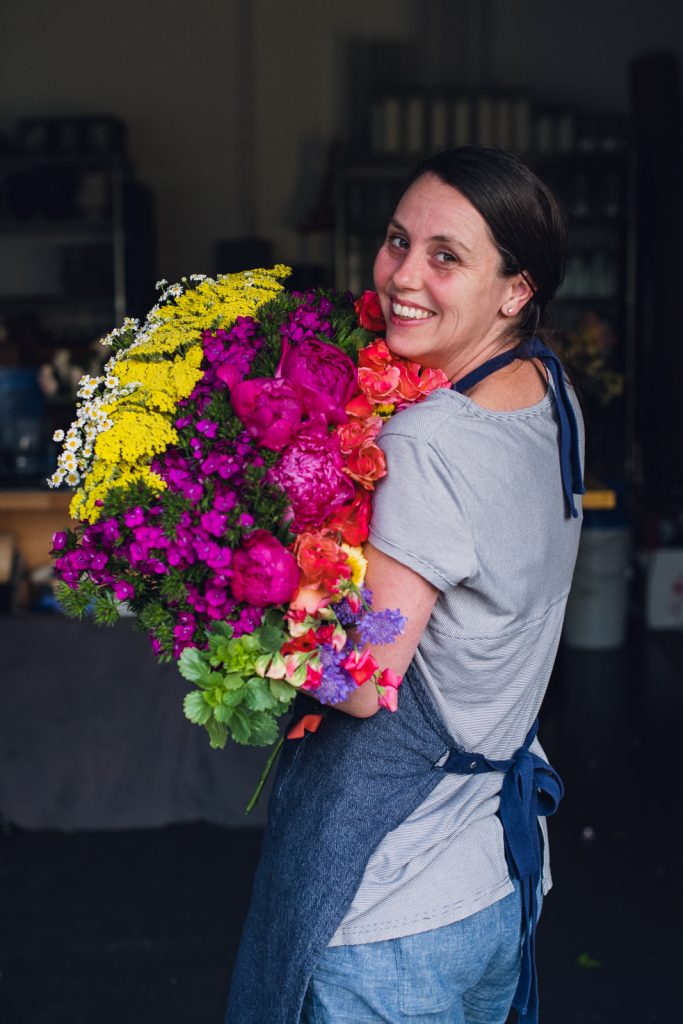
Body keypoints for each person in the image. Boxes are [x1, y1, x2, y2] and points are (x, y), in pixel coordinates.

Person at [225, 146, 584, 1024]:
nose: (401, 276)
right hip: (496, 877)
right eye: (397, 240)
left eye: (445, 256)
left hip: (395, 903)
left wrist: (226, 595)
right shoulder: (549, 390)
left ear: (515, 289)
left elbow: (361, 684)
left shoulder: (427, 443)